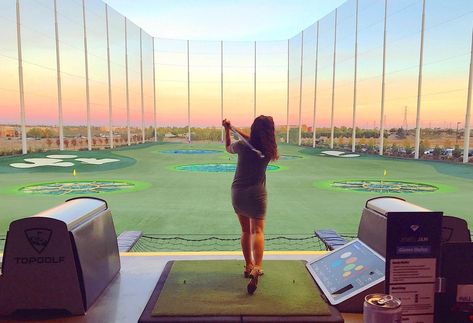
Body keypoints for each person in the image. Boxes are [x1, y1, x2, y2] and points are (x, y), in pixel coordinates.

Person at [222, 116, 279, 294]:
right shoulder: (269, 150)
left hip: (238, 192)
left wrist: (228, 130)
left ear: (253, 129)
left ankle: (248, 266)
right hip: (257, 194)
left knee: (246, 230)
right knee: (258, 231)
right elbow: (253, 141)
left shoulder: (241, 146)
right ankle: (257, 267)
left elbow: (228, 148)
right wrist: (235, 128)